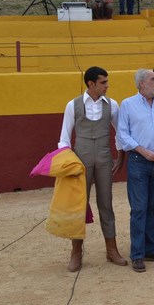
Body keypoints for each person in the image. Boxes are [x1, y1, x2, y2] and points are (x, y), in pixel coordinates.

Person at [57, 66, 127, 272]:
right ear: (91, 84)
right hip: (80, 161)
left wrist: (120, 157)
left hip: (104, 159)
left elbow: (120, 133)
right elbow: (63, 139)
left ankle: (111, 249)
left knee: (107, 203)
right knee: (79, 205)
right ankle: (76, 252)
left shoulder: (112, 105)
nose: (107, 86)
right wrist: (68, 164)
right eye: (103, 82)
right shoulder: (73, 105)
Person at [117, 69, 154, 272]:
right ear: (142, 84)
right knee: (140, 208)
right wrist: (142, 151)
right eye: (153, 79)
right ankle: (138, 254)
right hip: (139, 160)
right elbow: (123, 134)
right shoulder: (127, 104)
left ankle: (150, 249)